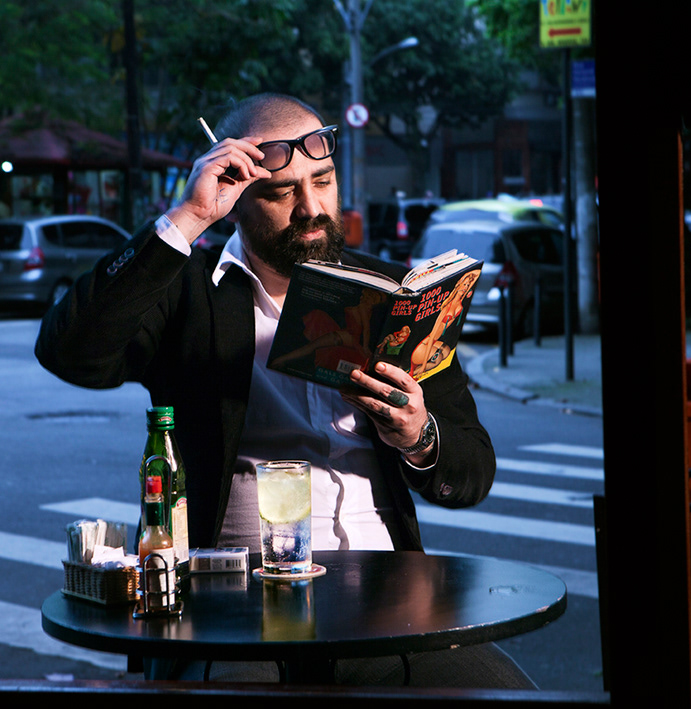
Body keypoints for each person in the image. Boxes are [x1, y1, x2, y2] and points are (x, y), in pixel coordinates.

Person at [35, 93, 535, 689]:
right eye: (279, 193)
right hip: (233, 606)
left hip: (389, 598)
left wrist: (418, 436)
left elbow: (473, 470)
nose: (311, 208)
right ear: (236, 197)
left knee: (512, 698)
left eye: (322, 182)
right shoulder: (188, 292)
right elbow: (69, 352)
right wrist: (187, 217)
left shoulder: (396, 296)